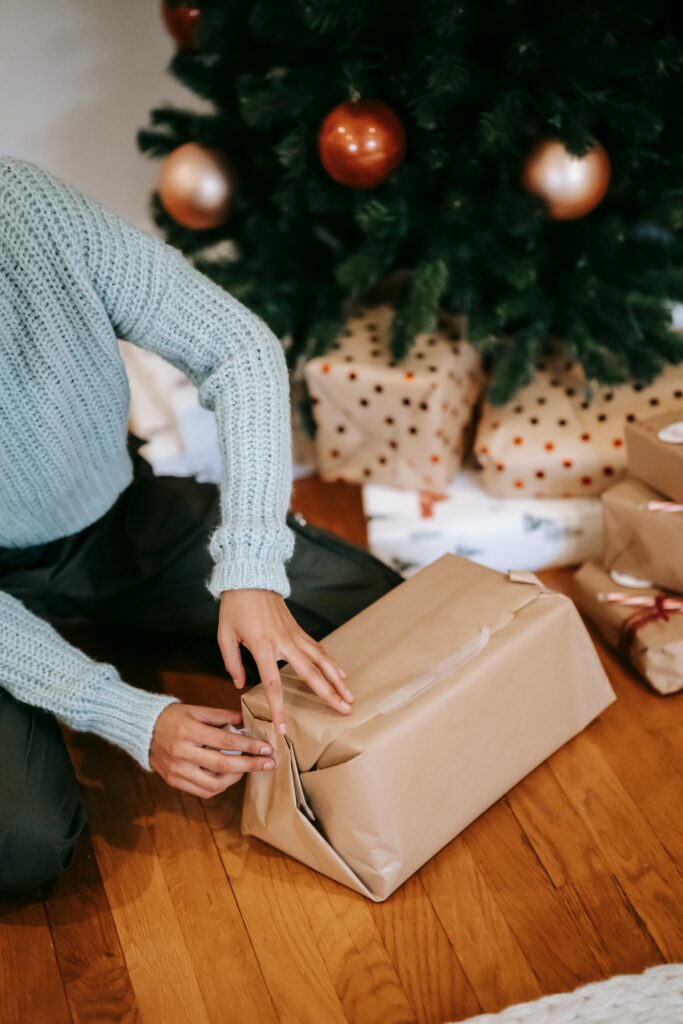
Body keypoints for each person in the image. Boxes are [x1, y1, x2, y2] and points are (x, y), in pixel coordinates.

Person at [0, 157, 401, 893]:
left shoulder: (22, 206)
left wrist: (250, 567)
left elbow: (237, 348)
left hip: (113, 514)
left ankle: (120, 614)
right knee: (22, 846)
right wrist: (126, 714)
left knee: (383, 611)